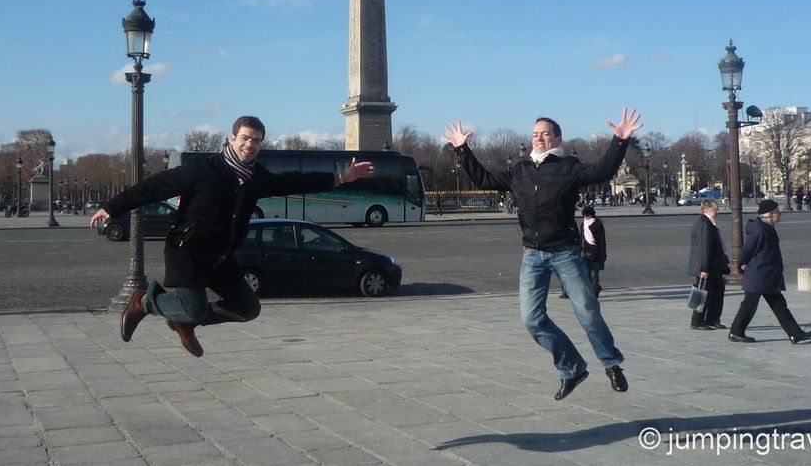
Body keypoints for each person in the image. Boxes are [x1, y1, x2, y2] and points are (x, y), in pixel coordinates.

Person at [89, 115, 374, 357]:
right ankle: (145, 301)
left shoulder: (256, 177)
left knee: (247, 307)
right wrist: (112, 208)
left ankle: (186, 320)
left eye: (257, 140)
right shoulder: (203, 170)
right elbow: (155, 186)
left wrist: (341, 177)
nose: (250, 145)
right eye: (246, 138)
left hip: (220, 258)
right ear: (232, 138)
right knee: (192, 307)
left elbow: (294, 180)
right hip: (188, 251)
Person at [443, 109, 643, 401]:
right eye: (535, 134)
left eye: (545, 133)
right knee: (532, 320)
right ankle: (572, 367)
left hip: (564, 251)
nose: (538, 138)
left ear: (557, 138)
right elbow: (484, 180)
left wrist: (619, 141)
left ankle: (611, 364)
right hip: (532, 254)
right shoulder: (520, 170)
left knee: (587, 312)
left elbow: (602, 172)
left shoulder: (569, 167)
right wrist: (462, 150)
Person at [728, 199, 811, 345]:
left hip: (767, 275)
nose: (779, 214)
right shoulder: (759, 230)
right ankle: (735, 332)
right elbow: (747, 250)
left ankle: (795, 333)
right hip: (759, 275)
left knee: (779, 305)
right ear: (769, 215)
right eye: (777, 212)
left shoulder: (767, 228)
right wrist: (742, 264)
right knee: (749, 306)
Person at [687, 200, 729, 331]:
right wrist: (704, 268)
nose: (717, 212)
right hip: (708, 266)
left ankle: (712, 319)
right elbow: (704, 248)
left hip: (715, 265)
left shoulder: (708, 223)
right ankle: (697, 321)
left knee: (717, 292)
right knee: (703, 293)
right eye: (714, 209)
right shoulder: (704, 224)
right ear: (706, 210)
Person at [580, 205, 606, 297]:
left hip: (596, 252)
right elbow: (581, 238)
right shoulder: (583, 224)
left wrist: (603, 254)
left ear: (592, 215)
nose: (586, 217)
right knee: (586, 274)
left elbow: (602, 241)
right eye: (585, 215)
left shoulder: (598, 224)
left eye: (587, 215)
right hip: (585, 252)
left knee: (594, 274)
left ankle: (595, 291)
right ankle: (590, 292)